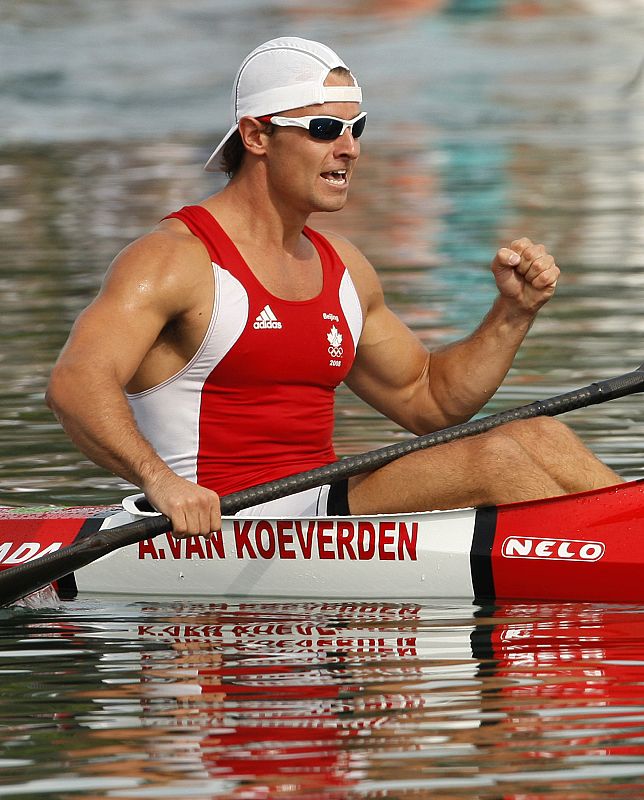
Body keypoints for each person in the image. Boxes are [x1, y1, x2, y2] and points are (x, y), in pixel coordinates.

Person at [46, 36, 621, 538]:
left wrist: (511, 314)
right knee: (493, 457)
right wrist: (162, 484)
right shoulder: (173, 259)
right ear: (256, 136)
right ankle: (601, 572)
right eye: (323, 129)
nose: (349, 147)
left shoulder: (342, 265)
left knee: (540, 435)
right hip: (225, 519)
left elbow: (429, 401)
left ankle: (617, 551)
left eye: (356, 128)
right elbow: (75, 383)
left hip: (317, 504)